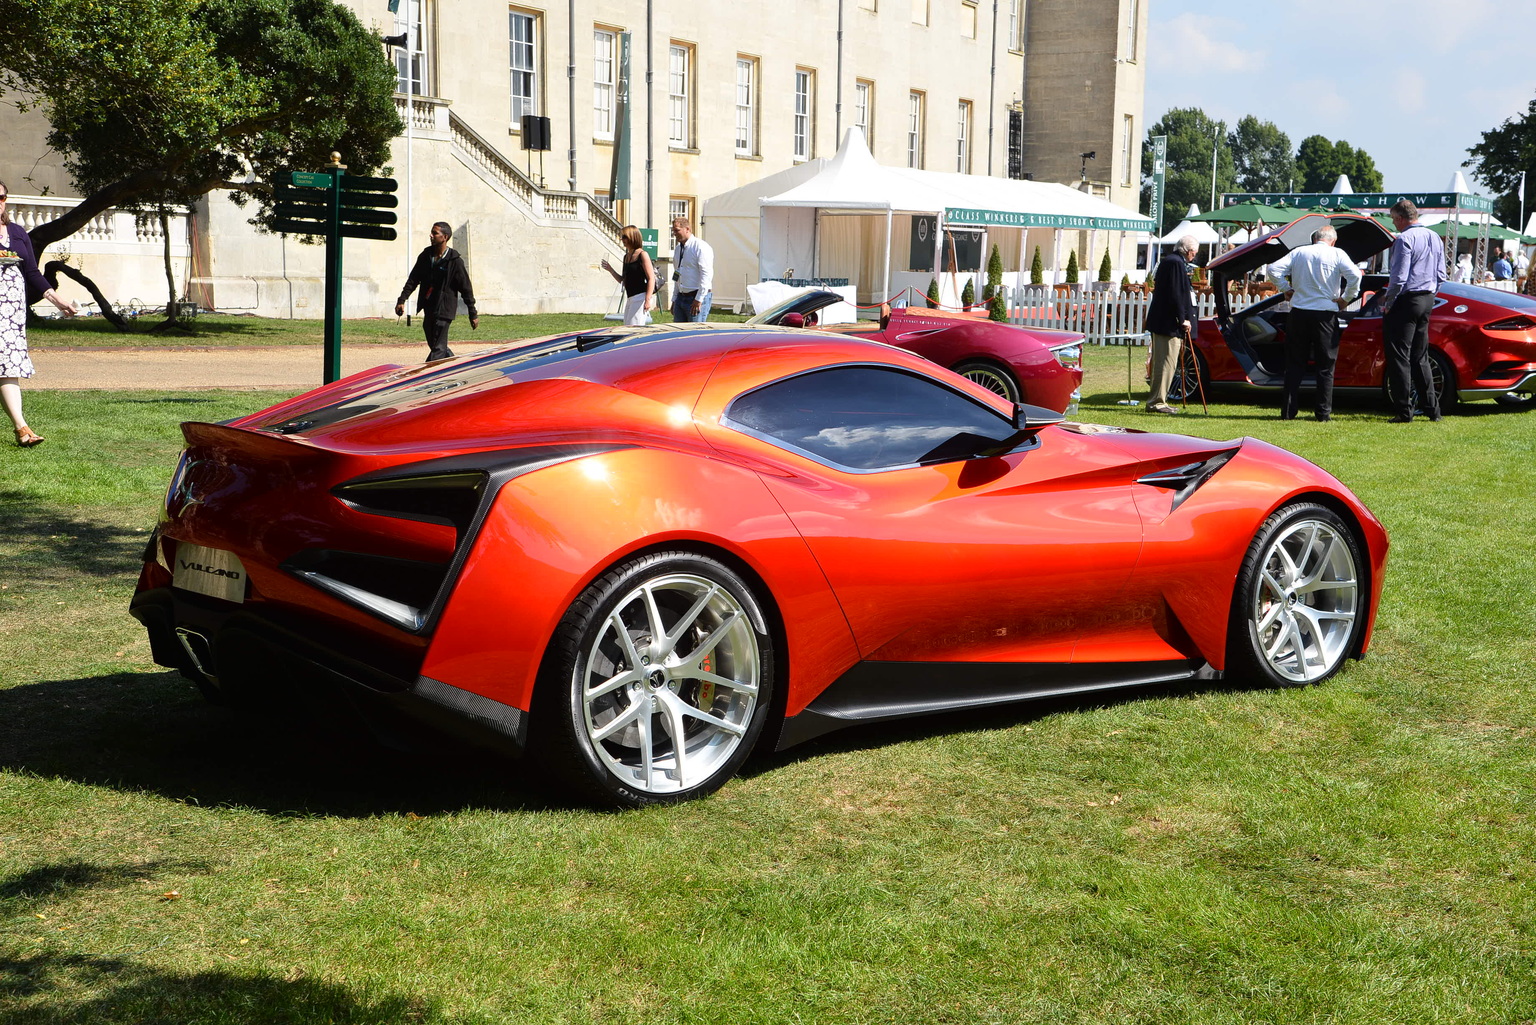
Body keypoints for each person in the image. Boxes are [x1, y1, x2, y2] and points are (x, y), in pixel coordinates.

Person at [0, 181, 78, 447]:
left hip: (10, 311)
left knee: (8, 367)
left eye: (0, 197)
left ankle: (22, 429)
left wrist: (57, 300)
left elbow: (31, 272)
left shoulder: (17, 233)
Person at [1266, 225, 1362, 422]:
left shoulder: (1300, 251)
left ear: (1314, 238)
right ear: (1333, 241)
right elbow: (1355, 276)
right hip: (1326, 314)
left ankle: (1288, 412)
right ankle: (1323, 414)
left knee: (1294, 364)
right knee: (1325, 366)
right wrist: (1346, 299)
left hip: (1299, 312)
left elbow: (1273, 269)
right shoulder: (1337, 253)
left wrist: (1286, 288)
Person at [1381, 199, 1447, 423]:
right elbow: (1441, 274)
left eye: (1393, 219)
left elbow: (1398, 278)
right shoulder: (1434, 237)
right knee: (1421, 356)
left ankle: (1403, 410)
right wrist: (1430, 295)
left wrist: (1388, 303)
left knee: (1399, 356)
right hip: (1427, 298)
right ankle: (1432, 409)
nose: (1394, 223)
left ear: (1400, 218)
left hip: (1407, 299)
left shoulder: (1404, 239)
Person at [395, 221, 478, 361]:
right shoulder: (426, 256)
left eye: (435, 233)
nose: (431, 235)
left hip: (445, 309)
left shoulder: (454, 261)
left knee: (438, 348)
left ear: (445, 237)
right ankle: (453, 364)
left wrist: (472, 313)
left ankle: (426, 374)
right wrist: (402, 300)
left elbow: (466, 288)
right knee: (436, 344)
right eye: (432, 232)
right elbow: (413, 279)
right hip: (429, 307)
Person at [1142, 234, 1198, 414]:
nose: (1194, 257)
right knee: (1165, 363)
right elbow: (1176, 294)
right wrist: (1182, 319)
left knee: (1167, 363)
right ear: (1189, 251)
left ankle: (1159, 400)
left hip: (1165, 322)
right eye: (1194, 253)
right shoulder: (1175, 263)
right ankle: (1156, 402)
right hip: (1168, 323)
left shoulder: (1172, 261)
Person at [601, 226, 656, 326]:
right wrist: (610, 269)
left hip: (640, 297)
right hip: (630, 297)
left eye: (625, 237)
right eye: (622, 237)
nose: (622, 240)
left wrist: (648, 299)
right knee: (627, 327)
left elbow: (651, 278)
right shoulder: (626, 256)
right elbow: (623, 280)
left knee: (634, 329)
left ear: (633, 237)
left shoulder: (642, 255)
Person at [669, 217, 714, 322]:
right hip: (681, 296)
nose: (674, 234)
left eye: (677, 230)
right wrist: (674, 299)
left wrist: (698, 300)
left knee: (694, 334)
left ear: (687, 229)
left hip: (696, 296)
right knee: (678, 334)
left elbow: (706, 275)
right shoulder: (678, 249)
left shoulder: (700, 247)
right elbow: (677, 275)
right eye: (673, 231)